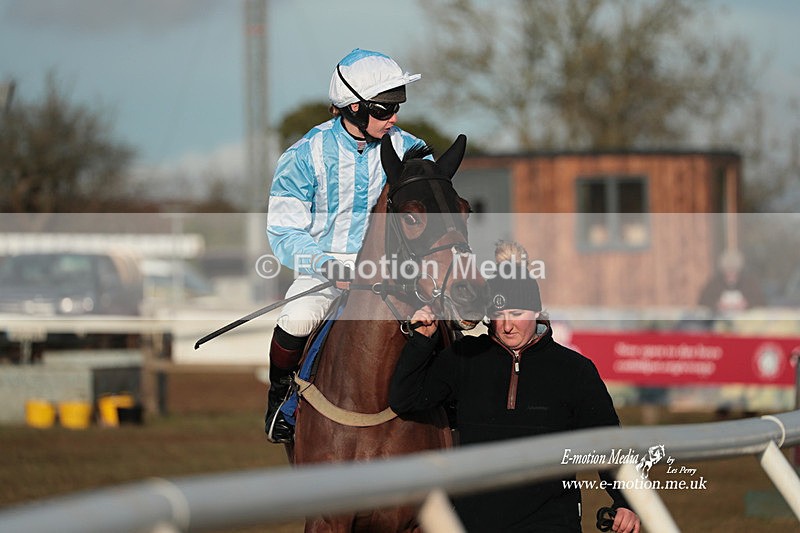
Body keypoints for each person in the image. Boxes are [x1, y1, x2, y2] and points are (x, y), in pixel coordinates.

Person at [389, 241, 641, 532]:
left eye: (517, 313)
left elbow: (607, 441)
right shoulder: (463, 359)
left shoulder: (574, 370)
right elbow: (405, 398)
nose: (508, 325)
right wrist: (422, 340)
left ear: (537, 312)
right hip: (474, 523)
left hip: (551, 521)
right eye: (500, 314)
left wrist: (625, 501)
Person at [264, 49, 427, 443]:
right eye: (386, 109)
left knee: (445, 321)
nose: (395, 118)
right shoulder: (304, 154)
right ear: (354, 107)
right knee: (297, 319)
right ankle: (281, 400)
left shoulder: (411, 149)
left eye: (398, 107)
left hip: (395, 268)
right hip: (326, 266)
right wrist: (327, 266)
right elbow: (284, 231)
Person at [698, 249, 765, 316]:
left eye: (734, 271)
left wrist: (747, 304)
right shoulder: (714, 284)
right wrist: (717, 305)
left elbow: (760, 302)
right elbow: (703, 302)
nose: (731, 274)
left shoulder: (749, 284)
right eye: (728, 271)